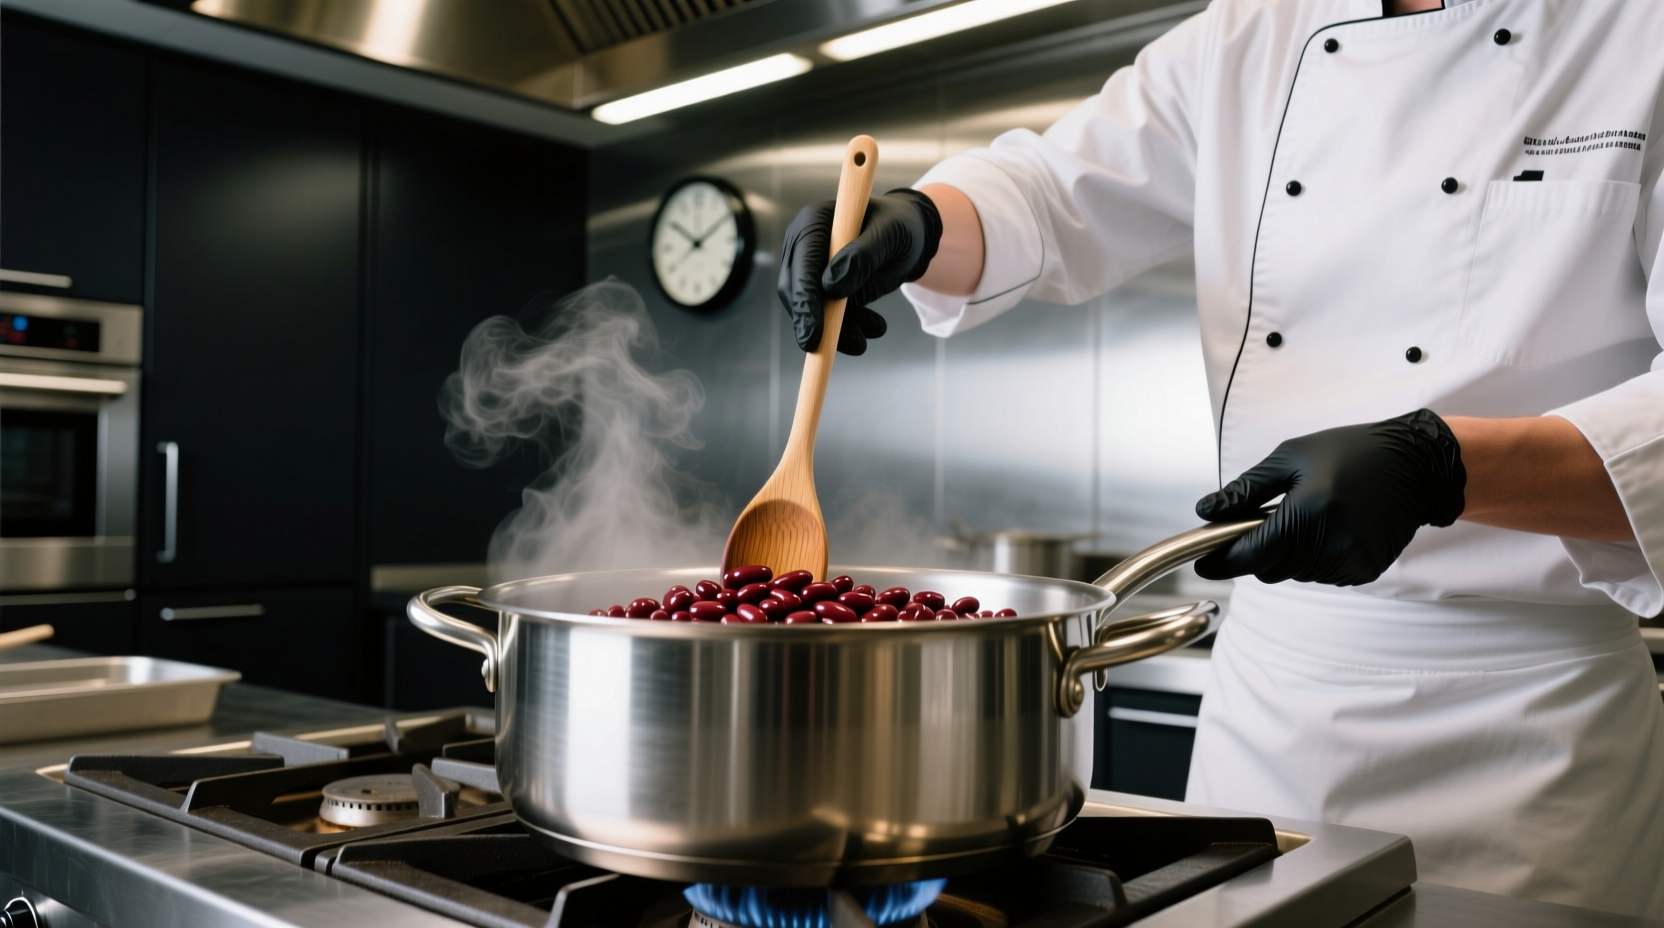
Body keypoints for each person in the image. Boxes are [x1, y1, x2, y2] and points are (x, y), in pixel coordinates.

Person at [776, 0, 1664, 916]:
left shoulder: (1639, 31)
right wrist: (921, 223)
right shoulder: (1255, 29)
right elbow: (1051, 189)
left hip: (1536, 736)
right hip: (1273, 718)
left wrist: (1444, 465)